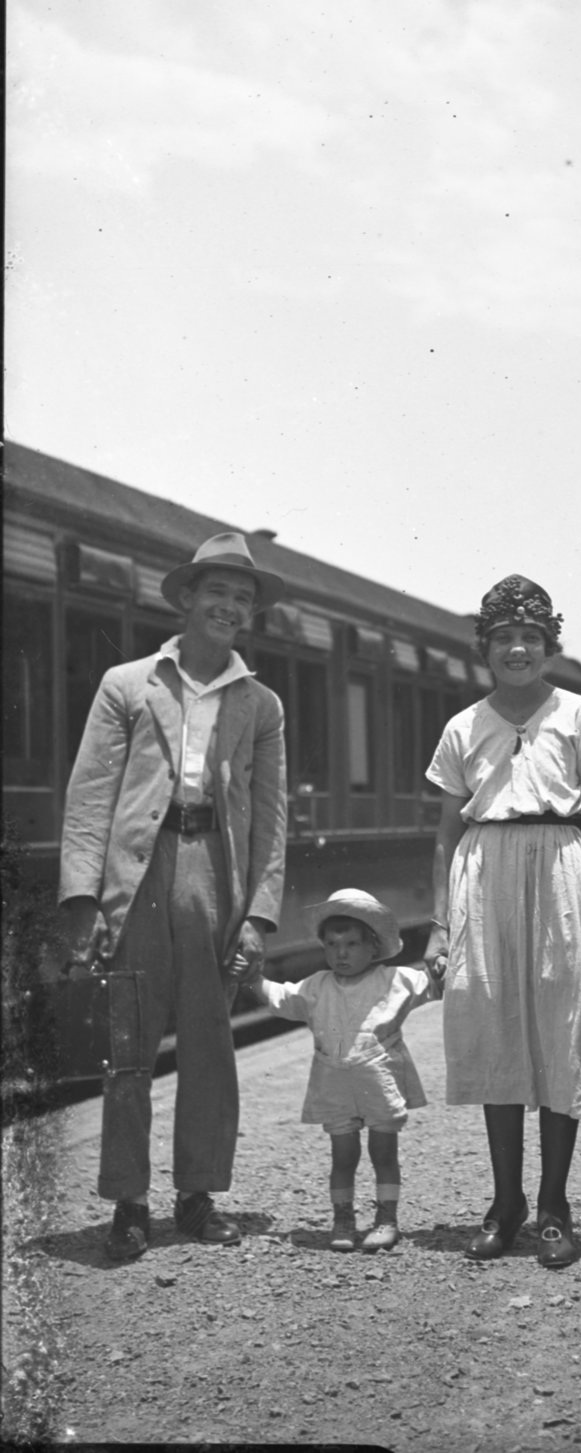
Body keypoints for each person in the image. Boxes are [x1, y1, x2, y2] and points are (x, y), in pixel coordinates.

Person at [59, 532, 288, 1261]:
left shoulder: (260, 703)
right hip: (139, 872)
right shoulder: (127, 683)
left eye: (242, 598)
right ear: (188, 598)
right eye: (216, 592)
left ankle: (197, 1193)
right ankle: (129, 1201)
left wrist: (257, 912)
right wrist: (84, 898)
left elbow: (273, 814)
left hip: (213, 872)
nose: (229, 606)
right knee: (129, 1044)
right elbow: (91, 795)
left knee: (210, 1042)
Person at [424, 575, 581, 1268]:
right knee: (495, 1032)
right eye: (505, 636)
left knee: (560, 1031)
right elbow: (447, 832)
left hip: (562, 866)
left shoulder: (580, 714)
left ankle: (554, 1207)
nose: (518, 647)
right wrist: (441, 924)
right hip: (484, 872)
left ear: (550, 646)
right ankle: (505, 1202)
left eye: (531, 637)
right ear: (484, 647)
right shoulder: (463, 725)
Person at [243, 889, 441, 1253]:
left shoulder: (394, 980)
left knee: (383, 1152)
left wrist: (442, 967)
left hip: (379, 1080)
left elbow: (435, 984)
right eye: (332, 944)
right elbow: (280, 997)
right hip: (333, 1082)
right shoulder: (316, 987)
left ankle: (386, 1218)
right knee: (343, 1156)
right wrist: (253, 978)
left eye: (351, 943)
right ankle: (343, 1218)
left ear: (373, 947)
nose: (342, 952)